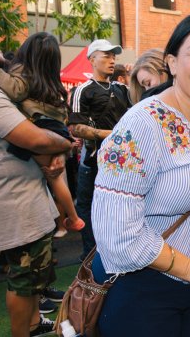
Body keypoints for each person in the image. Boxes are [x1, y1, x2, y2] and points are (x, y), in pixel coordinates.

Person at [91, 13, 190, 336]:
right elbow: (115, 232)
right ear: (173, 63)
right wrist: (189, 267)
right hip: (145, 289)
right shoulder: (141, 125)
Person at [0, 57, 73, 336]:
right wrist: (64, 144)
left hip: (24, 198)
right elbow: (37, 140)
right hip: (15, 203)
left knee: (30, 277)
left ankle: (31, 324)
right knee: (22, 279)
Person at [0, 32, 85, 234]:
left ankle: (72, 218)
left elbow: (15, 90)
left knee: (54, 176)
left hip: (42, 127)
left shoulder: (22, 72)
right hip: (55, 127)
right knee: (56, 175)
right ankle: (68, 218)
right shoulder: (48, 78)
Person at [68, 39, 131, 261]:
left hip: (124, 162)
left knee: (121, 207)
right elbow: (75, 127)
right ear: (92, 58)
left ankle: (118, 255)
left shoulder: (123, 89)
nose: (112, 60)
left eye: (114, 56)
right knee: (89, 208)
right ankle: (91, 258)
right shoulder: (82, 90)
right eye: (106, 55)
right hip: (94, 161)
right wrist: (111, 135)